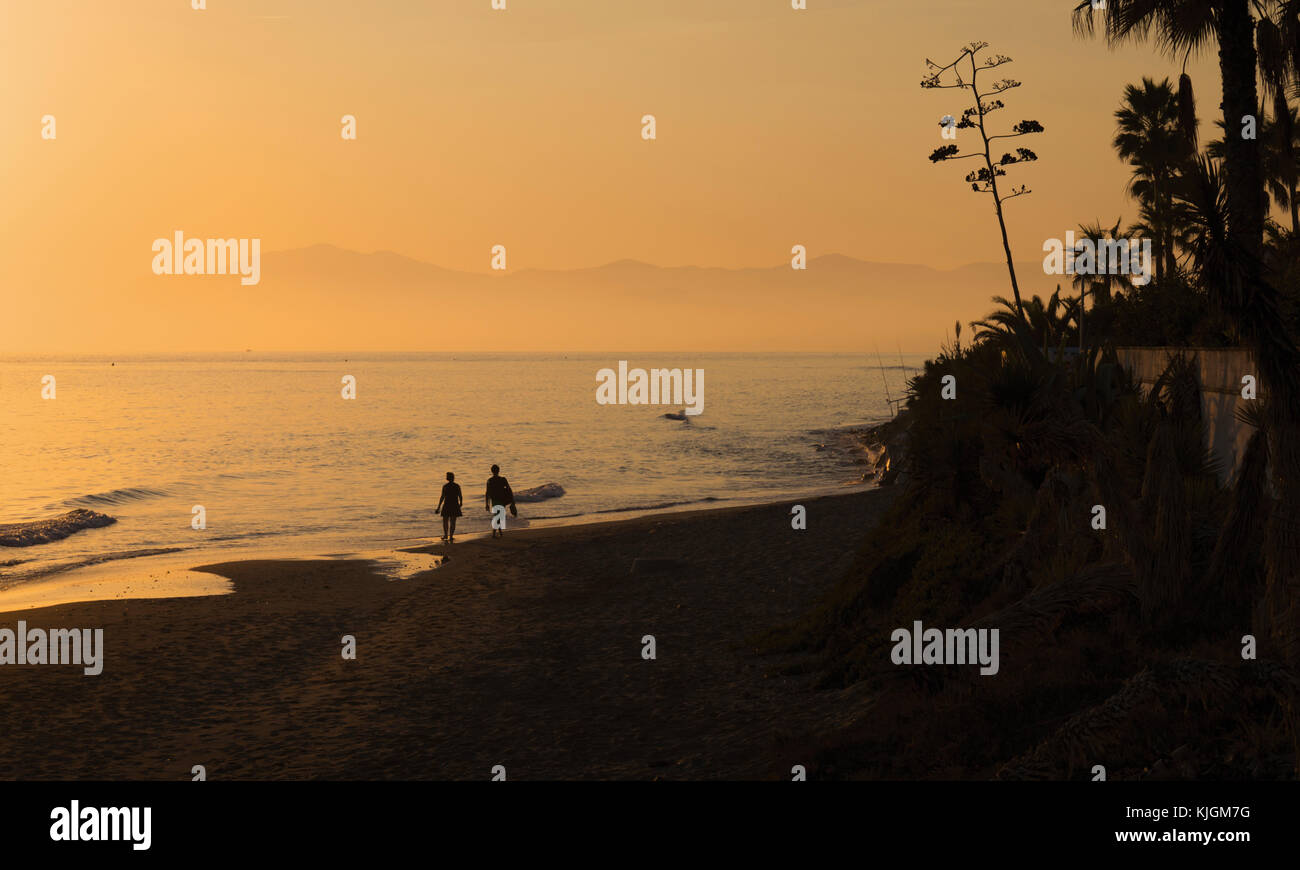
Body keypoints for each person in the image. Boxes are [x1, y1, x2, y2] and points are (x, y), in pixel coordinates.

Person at [484, 464, 514, 538]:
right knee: (499, 516)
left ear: (491, 471)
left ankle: (498, 533)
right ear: (499, 470)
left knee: (498, 516)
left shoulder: (489, 481)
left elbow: (487, 493)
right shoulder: (503, 479)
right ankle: (495, 533)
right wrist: (512, 500)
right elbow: (509, 489)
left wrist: (487, 504)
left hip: (494, 500)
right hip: (502, 500)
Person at [436, 471, 463, 542]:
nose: (446, 477)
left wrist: (438, 506)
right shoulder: (457, 486)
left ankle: (445, 535)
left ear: (448, 478)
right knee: (453, 521)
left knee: (445, 520)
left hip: (447, 505)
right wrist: (461, 503)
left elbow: (442, 497)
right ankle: (451, 536)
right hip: (454, 504)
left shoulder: (445, 486)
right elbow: (460, 496)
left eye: (447, 476)